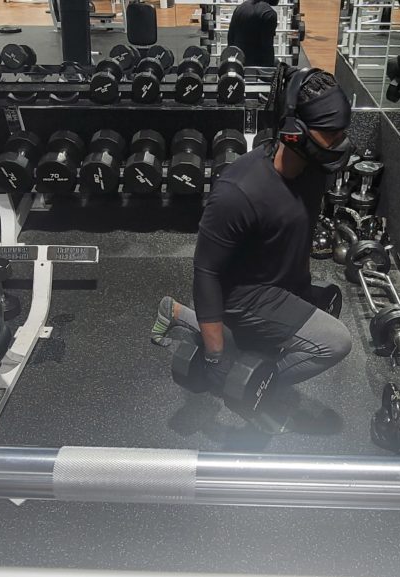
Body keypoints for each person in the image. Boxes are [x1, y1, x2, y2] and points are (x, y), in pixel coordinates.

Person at [152, 68, 355, 427]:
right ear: (294, 132)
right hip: (244, 297)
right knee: (335, 342)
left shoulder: (314, 170)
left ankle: (181, 314)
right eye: (332, 134)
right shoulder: (237, 192)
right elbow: (206, 272)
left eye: (342, 132)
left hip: (280, 282)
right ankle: (246, 383)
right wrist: (215, 358)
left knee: (310, 317)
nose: (341, 143)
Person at [226, 0, 279, 67]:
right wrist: (269, 70)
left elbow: (230, 38)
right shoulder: (269, 13)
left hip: (237, 61)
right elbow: (267, 47)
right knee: (277, 63)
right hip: (257, 64)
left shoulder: (240, 8)